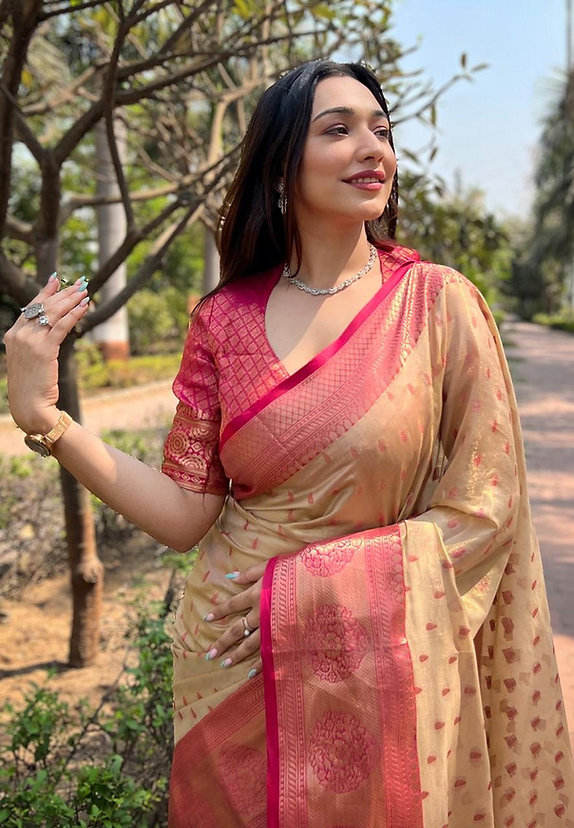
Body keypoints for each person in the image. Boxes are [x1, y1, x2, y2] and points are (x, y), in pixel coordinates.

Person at [4, 59, 574, 827]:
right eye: (338, 129)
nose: (372, 148)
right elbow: (184, 514)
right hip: (231, 665)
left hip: (376, 668)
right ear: (280, 168)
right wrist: (47, 418)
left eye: (381, 130)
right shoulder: (223, 321)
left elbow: (487, 508)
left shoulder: (436, 306)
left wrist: (310, 589)